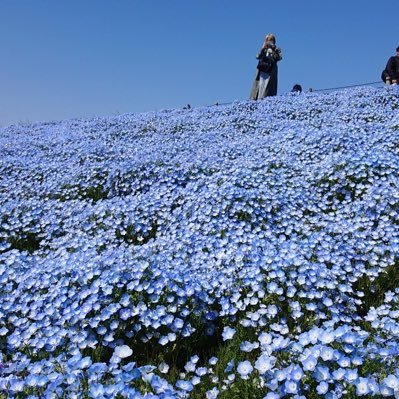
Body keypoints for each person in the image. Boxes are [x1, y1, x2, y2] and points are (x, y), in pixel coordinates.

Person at [250, 34, 282, 100]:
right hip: (262, 70)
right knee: (259, 88)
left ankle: (267, 101)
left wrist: (273, 51)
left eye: (270, 40)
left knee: (268, 89)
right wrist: (262, 49)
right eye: (267, 40)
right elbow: (257, 56)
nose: (269, 42)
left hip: (270, 72)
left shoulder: (276, 49)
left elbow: (279, 57)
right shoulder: (264, 48)